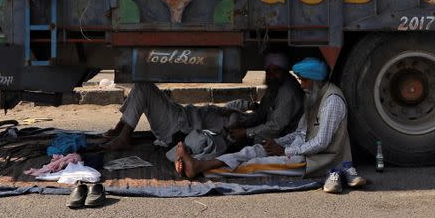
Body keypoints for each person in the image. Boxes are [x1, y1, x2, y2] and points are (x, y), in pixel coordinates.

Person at [174, 57, 367, 194]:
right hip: (298, 149)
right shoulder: (313, 96)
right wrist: (277, 143)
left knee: (253, 165)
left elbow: (321, 143)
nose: (301, 85)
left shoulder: (332, 101)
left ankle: (199, 167)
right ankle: (197, 164)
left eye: (304, 80)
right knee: (253, 150)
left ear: (315, 80)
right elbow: (301, 132)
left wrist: (285, 152)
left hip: (314, 160)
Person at [102, 53, 303, 152]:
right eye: (268, 70)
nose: (270, 74)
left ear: (284, 71)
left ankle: (124, 134)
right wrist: (245, 113)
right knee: (143, 86)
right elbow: (260, 117)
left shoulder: (287, 93)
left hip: (178, 125)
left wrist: (243, 130)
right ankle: (121, 129)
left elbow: (274, 127)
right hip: (181, 114)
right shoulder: (276, 87)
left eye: (275, 71)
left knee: (144, 87)